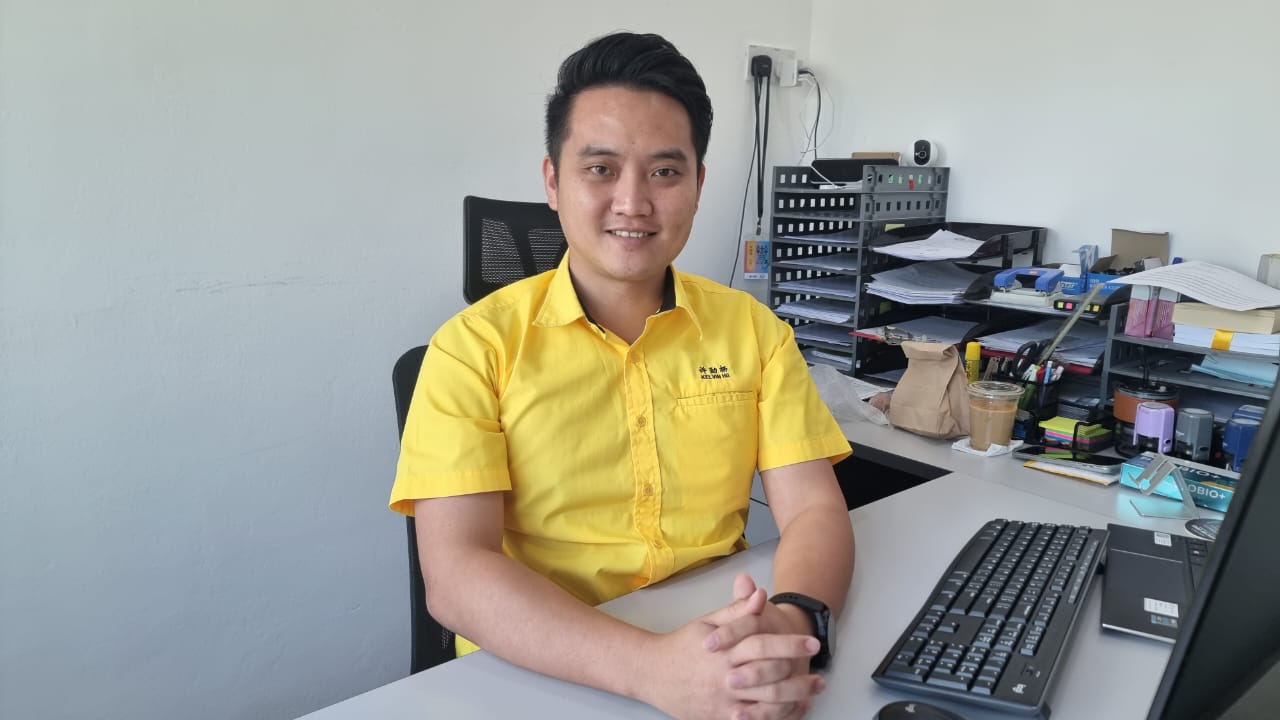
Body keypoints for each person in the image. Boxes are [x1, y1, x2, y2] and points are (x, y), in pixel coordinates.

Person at [390, 31, 855, 720]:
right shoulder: (471, 349)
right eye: (601, 169)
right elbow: (457, 575)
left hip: (714, 651)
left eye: (665, 172)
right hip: (540, 672)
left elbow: (815, 509)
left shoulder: (753, 332)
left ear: (698, 185)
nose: (633, 202)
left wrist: (793, 625)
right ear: (554, 182)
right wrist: (652, 671)